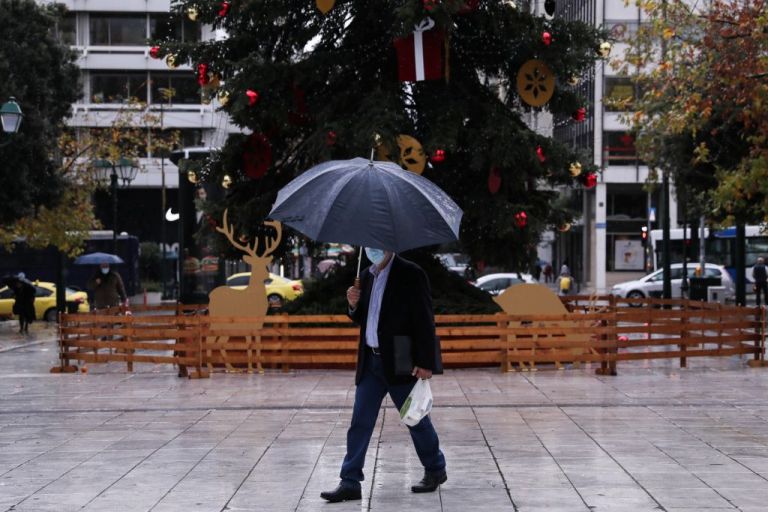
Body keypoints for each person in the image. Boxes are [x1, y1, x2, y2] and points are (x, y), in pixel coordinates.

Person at [321, 248, 446, 503]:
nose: (372, 248)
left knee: (415, 418)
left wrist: (426, 362)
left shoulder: (411, 273)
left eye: (377, 242)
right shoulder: (366, 275)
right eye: (368, 243)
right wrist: (353, 305)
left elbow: (424, 318)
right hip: (370, 362)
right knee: (360, 421)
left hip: (400, 359)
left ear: (390, 243)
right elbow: (366, 318)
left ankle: (435, 468)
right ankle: (350, 480)